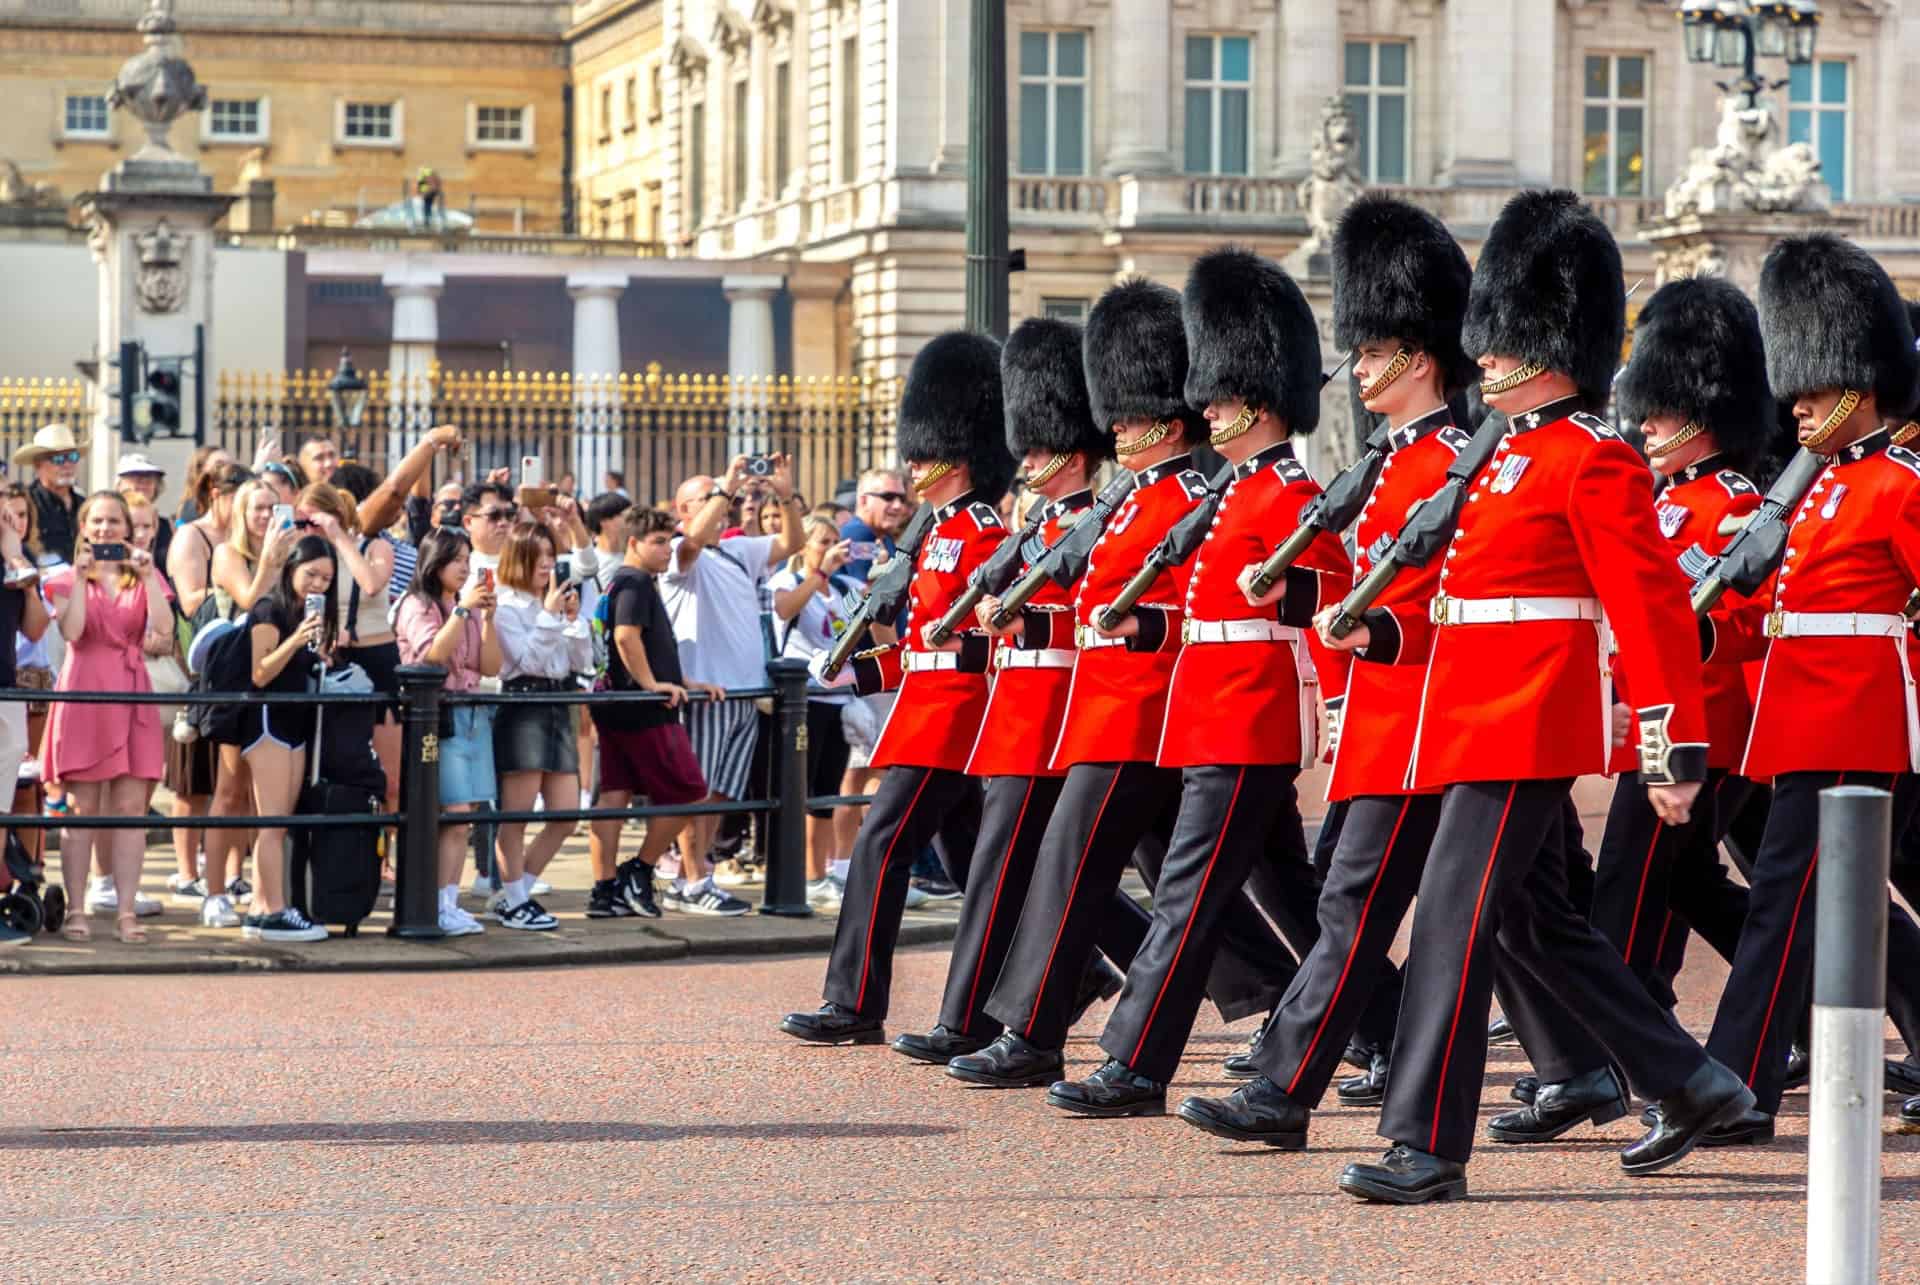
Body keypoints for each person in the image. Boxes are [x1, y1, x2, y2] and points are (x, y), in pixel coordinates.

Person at [1313, 190, 1750, 1204]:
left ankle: (1425, 1145)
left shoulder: (1592, 456)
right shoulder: (1498, 456)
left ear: (1550, 341)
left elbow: (1645, 613)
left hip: (1526, 722)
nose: (1487, 358)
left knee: (1454, 924)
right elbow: (1465, 605)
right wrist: (1377, 629)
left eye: (1507, 341)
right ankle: (1693, 1082)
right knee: (1534, 925)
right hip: (1464, 714)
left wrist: (1669, 747)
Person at [1172, 196, 1483, 1144]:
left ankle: (1291, 1091)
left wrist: (1370, 647)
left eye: (1374, 350)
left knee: (1487, 922)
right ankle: (1669, 1076)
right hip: (1393, 719)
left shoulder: (1452, 462)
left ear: (1416, 357)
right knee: (1495, 921)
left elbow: (1454, 601)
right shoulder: (1391, 465)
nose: (1355, 367)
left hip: (1436, 718)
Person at [949, 280, 1297, 1090]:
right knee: (1216, 882)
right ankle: (1290, 994)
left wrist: (1128, 625)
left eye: (1130, 417)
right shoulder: (1127, 501)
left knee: (1077, 868)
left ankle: (1035, 1029)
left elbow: (1181, 610)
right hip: (1115, 712)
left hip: (1143, 713)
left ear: (1165, 424)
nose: (1115, 428)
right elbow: (1095, 604)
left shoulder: (1185, 496)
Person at [1042, 248, 1352, 1118]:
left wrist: (1333, 701)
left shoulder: (1290, 490)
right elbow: (1197, 612)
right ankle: (1383, 1030)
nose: (1203, 405)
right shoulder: (1231, 491)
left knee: (1185, 895)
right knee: (1295, 893)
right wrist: (1138, 623)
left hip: (1249, 715)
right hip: (1210, 710)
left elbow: (1333, 595)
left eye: (1217, 394)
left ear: (1255, 398)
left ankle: (1137, 1062)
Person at [1690, 234, 1920, 1139]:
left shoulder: (1900, 486)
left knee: (1785, 905)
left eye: (1813, 393)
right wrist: (1703, 621)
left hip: (1859, 718)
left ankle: (1730, 1087)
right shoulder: (1815, 492)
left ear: (1857, 386)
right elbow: (1782, 612)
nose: (1797, 408)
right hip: (1800, 715)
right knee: (1834, 906)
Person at [889, 317, 1145, 1063]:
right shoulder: (1031, 531)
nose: (1025, 457)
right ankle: (1047, 995)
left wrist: (1013, 620)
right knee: (1037, 872)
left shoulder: (1090, 523)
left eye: (1037, 444)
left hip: (1053, 717)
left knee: (1011, 871)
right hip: (1015, 716)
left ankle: (971, 1016)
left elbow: (1078, 624)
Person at [779, 330, 1013, 1043]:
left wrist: (937, 647)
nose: (914, 461)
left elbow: (985, 640)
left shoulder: (980, 531)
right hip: (925, 706)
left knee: (881, 844)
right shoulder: (934, 529)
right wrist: (854, 667)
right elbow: (918, 649)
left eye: (926, 448)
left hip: (954, 715)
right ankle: (1087, 961)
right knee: (988, 862)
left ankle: (854, 1003)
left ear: (961, 450)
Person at [659, 454, 802, 913]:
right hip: (705, 691)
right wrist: (727, 484)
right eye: (708, 499)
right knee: (695, 789)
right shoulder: (679, 551)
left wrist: (785, 494)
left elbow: (791, 542)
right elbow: (696, 537)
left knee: (722, 791)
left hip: (744, 691)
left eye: (726, 499)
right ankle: (692, 877)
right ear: (685, 509)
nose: (724, 506)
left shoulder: (739, 550)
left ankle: (694, 873)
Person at [42, 492, 170, 944]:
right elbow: (73, 632)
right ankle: (77, 909)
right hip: (85, 693)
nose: (105, 529)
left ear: (127, 528)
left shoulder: (142, 577)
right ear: (83, 527)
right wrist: (79, 578)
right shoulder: (63, 577)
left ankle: (127, 912)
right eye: (96, 521)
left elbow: (165, 630)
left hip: (132, 693)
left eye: (114, 521)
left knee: (131, 810)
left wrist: (150, 575)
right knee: (82, 810)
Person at [588, 507, 717, 919]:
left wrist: (682, 680)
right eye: (658, 542)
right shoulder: (636, 581)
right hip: (642, 709)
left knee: (614, 797)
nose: (667, 550)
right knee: (689, 791)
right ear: (633, 543)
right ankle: (638, 869)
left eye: (669, 541)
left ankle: (604, 890)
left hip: (616, 703)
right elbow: (626, 638)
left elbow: (636, 643)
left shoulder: (622, 581)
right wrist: (651, 686)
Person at [396, 528, 501, 936]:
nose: (464, 566)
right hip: (436, 715)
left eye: (467, 558)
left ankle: (448, 901)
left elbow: (489, 666)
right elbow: (430, 657)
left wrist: (489, 619)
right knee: (452, 816)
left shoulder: (468, 606)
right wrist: (461, 613)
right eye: (456, 558)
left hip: (471, 712)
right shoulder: (418, 604)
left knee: (466, 815)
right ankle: (438, 902)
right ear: (434, 561)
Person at [491, 520, 591, 930]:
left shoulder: (549, 601)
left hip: (559, 699)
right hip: (523, 703)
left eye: (552, 556)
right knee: (516, 814)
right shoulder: (507, 606)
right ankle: (515, 899)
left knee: (566, 814)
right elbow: (523, 662)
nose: (548, 565)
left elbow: (583, 662)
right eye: (540, 557)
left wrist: (572, 621)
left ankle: (518, 890)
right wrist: (549, 616)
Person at [237, 534, 337, 943]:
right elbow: (260, 672)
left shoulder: (307, 613)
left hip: (296, 719)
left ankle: (264, 906)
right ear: (291, 569)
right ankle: (272, 909)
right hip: (266, 720)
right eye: (311, 574)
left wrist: (319, 651)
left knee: (282, 821)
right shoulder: (268, 609)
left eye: (327, 579)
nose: (318, 584)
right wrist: (296, 640)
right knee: (272, 821)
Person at [166, 462, 248, 924]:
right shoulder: (191, 538)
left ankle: (233, 873)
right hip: (203, 667)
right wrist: (233, 580)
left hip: (243, 664)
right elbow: (191, 598)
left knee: (235, 786)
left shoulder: (244, 541)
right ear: (218, 493)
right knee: (195, 781)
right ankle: (186, 871)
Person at [765, 513, 858, 904]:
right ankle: (806, 872)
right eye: (821, 542)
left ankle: (821, 873)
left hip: (838, 698)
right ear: (803, 545)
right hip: (805, 699)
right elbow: (785, 609)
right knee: (798, 789)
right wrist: (817, 573)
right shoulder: (788, 581)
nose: (831, 550)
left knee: (826, 791)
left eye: (835, 542)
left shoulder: (841, 588)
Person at [297, 481, 401, 808]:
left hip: (378, 657)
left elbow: (370, 584)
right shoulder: (310, 557)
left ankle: (388, 854)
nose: (308, 530)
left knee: (390, 777)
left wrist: (338, 536)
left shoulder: (374, 547)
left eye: (313, 522)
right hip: (334, 659)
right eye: (304, 523)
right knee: (338, 765)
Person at [14, 422, 86, 564]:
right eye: (58, 459)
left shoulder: (85, 505)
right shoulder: (26, 503)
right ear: (37, 464)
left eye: (72, 457)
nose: (67, 465)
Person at [116, 453, 173, 576]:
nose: (142, 483)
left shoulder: (167, 525)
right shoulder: (110, 523)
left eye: (149, 478)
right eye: (134, 477)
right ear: (119, 485)